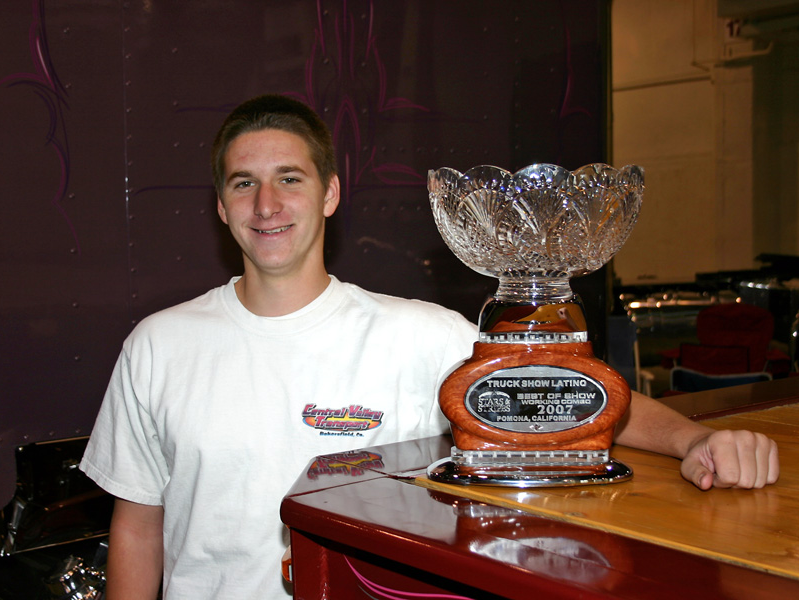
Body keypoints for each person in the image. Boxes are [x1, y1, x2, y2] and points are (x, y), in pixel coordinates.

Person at [80, 94, 779, 600]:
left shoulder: (417, 334)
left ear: (329, 193)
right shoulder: (159, 345)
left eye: (289, 178)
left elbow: (567, 396)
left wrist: (694, 440)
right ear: (222, 205)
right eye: (244, 184)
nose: (267, 205)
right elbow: (139, 526)